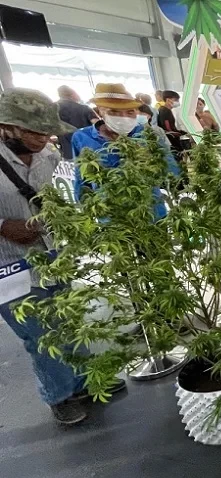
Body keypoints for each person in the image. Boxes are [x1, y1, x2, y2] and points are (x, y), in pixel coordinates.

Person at [0, 88, 126, 425]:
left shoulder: (48, 155)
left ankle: (86, 381)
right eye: (34, 132)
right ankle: (59, 395)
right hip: (9, 265)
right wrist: (4, 226)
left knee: (69, 320)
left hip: (54, 254)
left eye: (47, 132)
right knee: (39, 334)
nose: (43, 138)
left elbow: (60, 194)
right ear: (7, 127)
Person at [72, 83, 178, 218]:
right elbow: (81, 180)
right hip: (113, 216)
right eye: (114, 112)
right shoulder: (82, 137)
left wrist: (152, 162)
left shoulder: (147, 134)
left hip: (151, 211)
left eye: (130, 112)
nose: (123, 117)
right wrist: (86, 211)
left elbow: (172, 170)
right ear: (100, 110)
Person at [56, 85, 98, 160]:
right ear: (72, 94)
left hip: (67, 153)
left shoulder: (53, 109)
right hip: (88, 153)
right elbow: (97, 124)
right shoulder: (84, 108)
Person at [156, 90, 187, 157]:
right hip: (171, 140)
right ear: (168, 100)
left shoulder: (166, 110)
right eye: (175, 100)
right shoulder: (165, 111)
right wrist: (180, 133)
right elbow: (168, 129)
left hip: (172, 138)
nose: (177, 102)